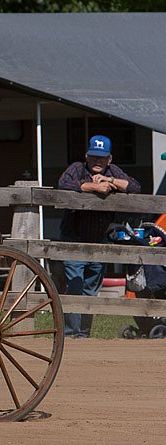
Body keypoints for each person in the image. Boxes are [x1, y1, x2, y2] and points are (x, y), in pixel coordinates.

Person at [58, 134, 140, 338]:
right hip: (74, 238)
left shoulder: (114, 171)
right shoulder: (77, 168)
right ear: (87, 156)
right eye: (94, 156)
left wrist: (109, 180)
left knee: (91, 288)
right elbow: (63, 184)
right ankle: (70, 333)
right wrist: (93, 187)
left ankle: (84, 333)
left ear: (109, 159)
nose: (97, 161)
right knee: (74, 284)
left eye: (101, 157)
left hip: (100, 239)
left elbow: (135, 187)